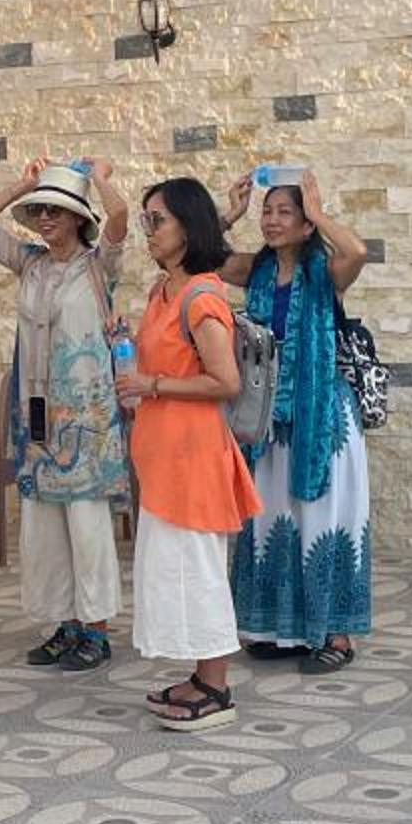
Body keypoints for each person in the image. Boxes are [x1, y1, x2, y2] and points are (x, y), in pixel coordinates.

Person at [0, 157, 131, 670]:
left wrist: (98, 178)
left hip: (86, 422)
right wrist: (24, 185)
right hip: (35, 419)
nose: (45, 217)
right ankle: (64, 624)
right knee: (44, 529)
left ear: (79, 217)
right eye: (39, 210)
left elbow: (119, 217)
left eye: (55, 209)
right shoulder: (30, 262)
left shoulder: (99, 264)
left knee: (87, 528)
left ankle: (96, 629)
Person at [118, 179, 261, 731]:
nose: (148, 231)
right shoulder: (166, 290)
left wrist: (152, 384)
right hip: (164, 457)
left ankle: (217, 688)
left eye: (157, 220)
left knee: (197, 570)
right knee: (173, 569)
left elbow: (225, 381)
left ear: (186, 226)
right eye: (146, 220)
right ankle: (202, 678)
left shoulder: (201, 297)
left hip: (193, 458)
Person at [219, 167, 374, 672]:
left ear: (306, 223)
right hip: (270, 417)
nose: (272, 220)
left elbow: (357, 251)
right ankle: (278, 630)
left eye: (285, 212)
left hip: (321, 416)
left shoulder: (326, 270)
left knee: (323, 520)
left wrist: (320, 212)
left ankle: (336, 635)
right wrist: (230, 213)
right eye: (267, 211)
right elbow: (202, 258)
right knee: (273, 519)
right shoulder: (257, 270)